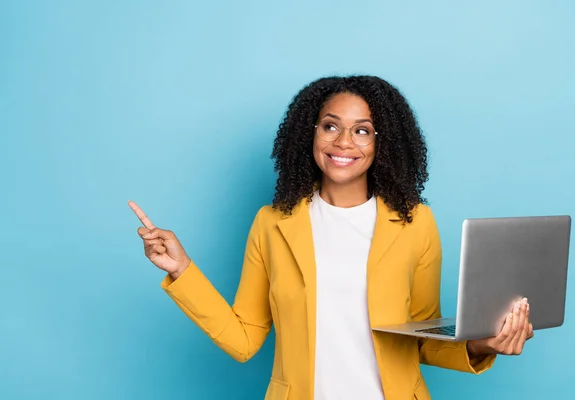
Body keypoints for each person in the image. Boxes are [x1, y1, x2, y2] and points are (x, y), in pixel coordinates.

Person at [129, 75, 533, 400]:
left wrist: (484, 345)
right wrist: (182, 271)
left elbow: (422, 340)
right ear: (310, 134)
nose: (344, 142)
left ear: (384, 144)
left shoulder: (416, 223)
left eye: (363, 131)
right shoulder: (272, 223)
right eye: (330, 126)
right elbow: (244, 339)